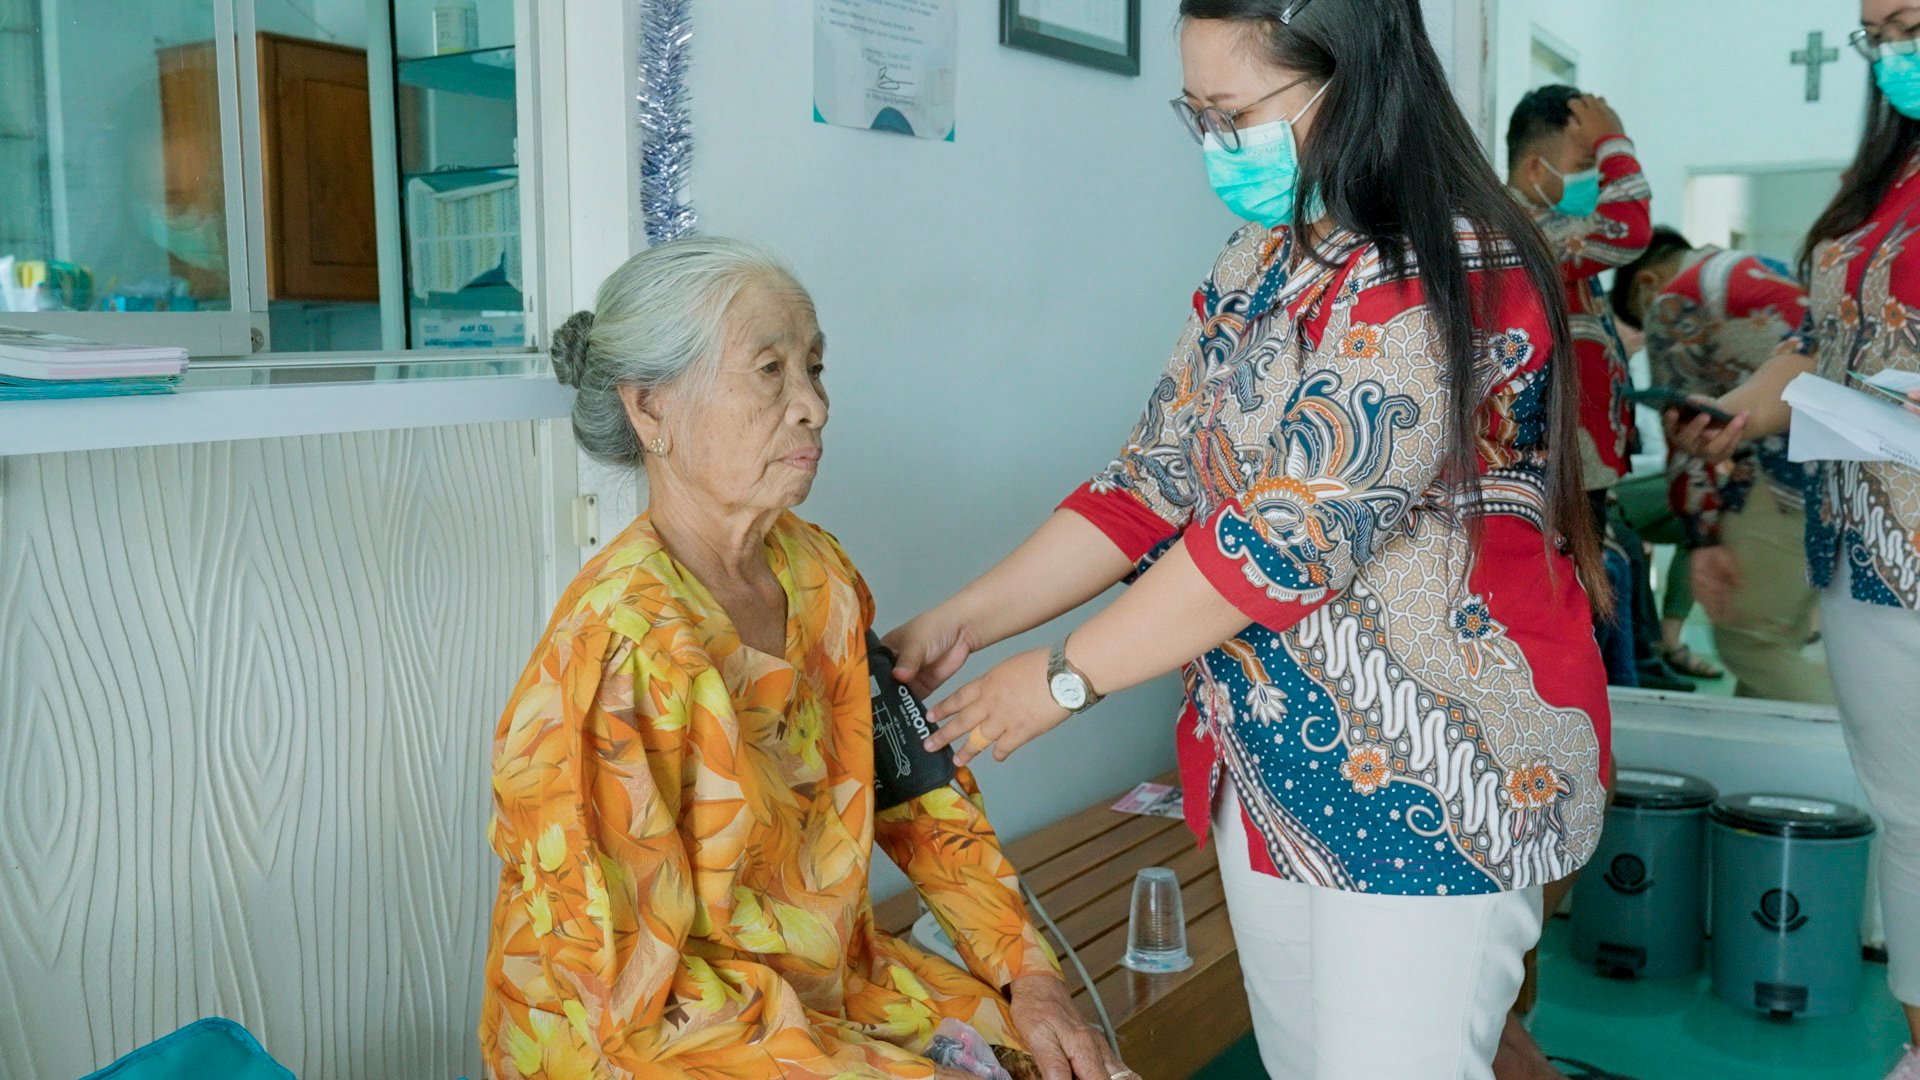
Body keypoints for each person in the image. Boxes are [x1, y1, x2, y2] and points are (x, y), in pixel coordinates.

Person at [885, 2, 1612, 1076]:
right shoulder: (1262, 260)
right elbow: (1146, 485)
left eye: (1236, 114)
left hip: (1437, 780)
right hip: (1274, 772)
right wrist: (960, 620)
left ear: (1354, 80)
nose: (1221, 145)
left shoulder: (1452, 263)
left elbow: (1287, 536)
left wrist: (1063, 680)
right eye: (1200, 117)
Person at [479, 238, 1128, 1080]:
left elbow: (912, 789)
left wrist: (1027, 973)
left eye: (815, 368)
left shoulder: (816, 573)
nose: (814, 406)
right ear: (650, 410)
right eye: (769, 370)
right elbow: (632, 1001)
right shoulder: (618, 652)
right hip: (655, 1041)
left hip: (824, 990)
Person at [1670, 4, 1920, 1075]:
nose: (1891, 53)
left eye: (1906, 20)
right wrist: (1742, 411)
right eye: (1878, 35)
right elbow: (1815, 351)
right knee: (1909, 817)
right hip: (1866, 549)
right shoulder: (1883, 185)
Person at [1613, 228, 1831, 703]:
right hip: (1839, 472)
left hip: (1784, 475)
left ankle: (1876, 735)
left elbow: (1687, 438)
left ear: (1646, 283)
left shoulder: (1673, 300)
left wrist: (1703, 538)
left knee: (1752, 645)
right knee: (1777, 635)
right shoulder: (1759, 267)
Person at [1506, 85, 1654, 688]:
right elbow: (1630, 230)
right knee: (1580, 623)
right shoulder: (1528, 227)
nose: (1595, 182)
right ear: (1537, 169)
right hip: (1559, 472)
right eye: (1584, 167)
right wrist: (1616, 143)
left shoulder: (1555, 230)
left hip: (1583, 472)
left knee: (1598, 612)